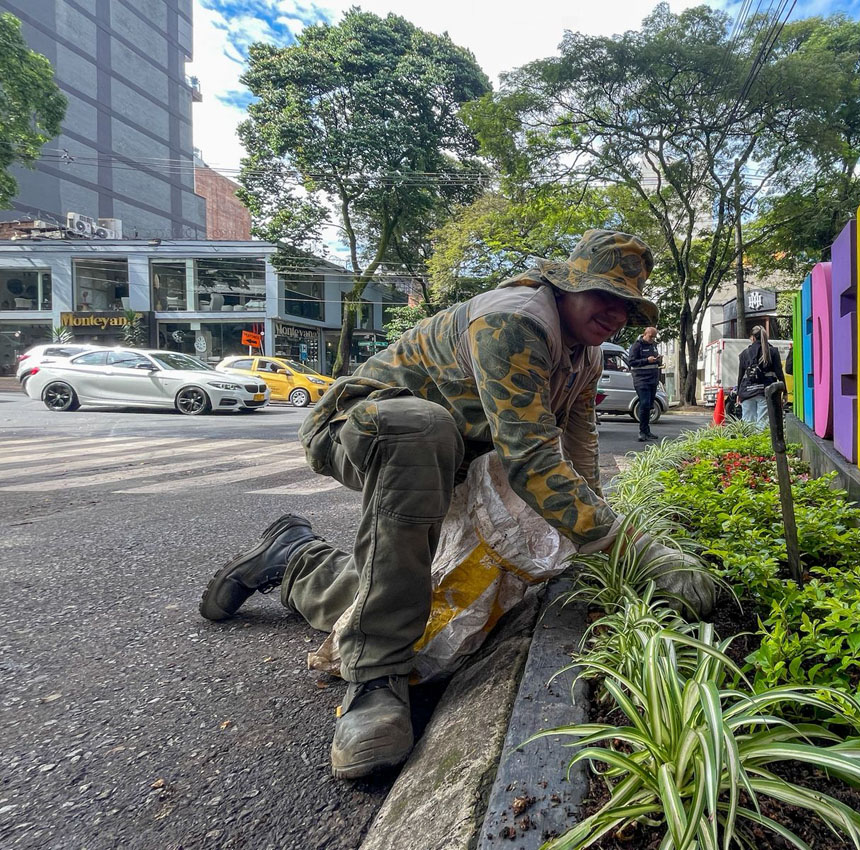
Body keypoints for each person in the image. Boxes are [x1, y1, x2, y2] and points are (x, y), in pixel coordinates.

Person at [197, 230, 715, 780]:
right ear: (566, 286)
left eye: (627, 304)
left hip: (458, 459)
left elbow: (578, 454)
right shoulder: (514, 322)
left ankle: (298, 560)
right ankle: (375, 675)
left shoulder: (583, 355)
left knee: (445, 600)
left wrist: (597, 541)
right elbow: (532, 460)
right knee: (423, 427)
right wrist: (637, 552)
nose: (616, 312)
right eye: (602, 294)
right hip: (363, 428)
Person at [736, 326, 784, 428]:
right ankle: (760, 443)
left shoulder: (744, 353)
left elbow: (740, 375)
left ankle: (748, 443)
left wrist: (738, 393)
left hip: (747, 391)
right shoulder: (773, 352)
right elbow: (779, 373)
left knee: (748, 424)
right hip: (765, 391)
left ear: (753, 337)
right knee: (763, 424)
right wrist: (784, 391)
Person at [626, 326, 663, 442]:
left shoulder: (653, 346)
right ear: (645, 334)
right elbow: (631, 362)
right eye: (650, 336)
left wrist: (658, 360)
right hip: (641, 380)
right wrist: (647, 360)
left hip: (653, 380)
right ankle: (642, 432)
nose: (652, 339)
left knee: (650, 406)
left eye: (654, 337)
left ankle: (647, 431)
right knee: (644, 404)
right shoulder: (637, 346)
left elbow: (655, 363)